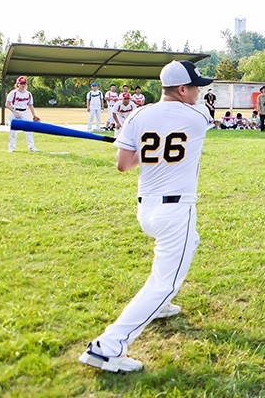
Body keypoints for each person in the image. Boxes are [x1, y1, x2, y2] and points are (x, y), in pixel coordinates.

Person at [78, 60, 214, 373]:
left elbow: (123, 164)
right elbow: (172, 139)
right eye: (195, 87)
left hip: (147, 209)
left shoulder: (138, 115)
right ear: (182, 89)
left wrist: (138, 145)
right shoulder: (199, 115)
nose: (198, 92)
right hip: (176, 211)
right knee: (165, 282)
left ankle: (160, 306)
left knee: (190, 242)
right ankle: (107, 346)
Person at [6, 76, 39, 152]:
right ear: (18, 84)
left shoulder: (28, 94)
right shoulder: (13, 93)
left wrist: (34, 115)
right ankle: (11, 148)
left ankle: (31, 147)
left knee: (28, 131)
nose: (23, 85)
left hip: (25, 112)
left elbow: (30, 105)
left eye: (24, 83)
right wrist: (15, 112)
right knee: (13, 132)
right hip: (15, 111)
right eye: (21, 83)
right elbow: (7, 104)